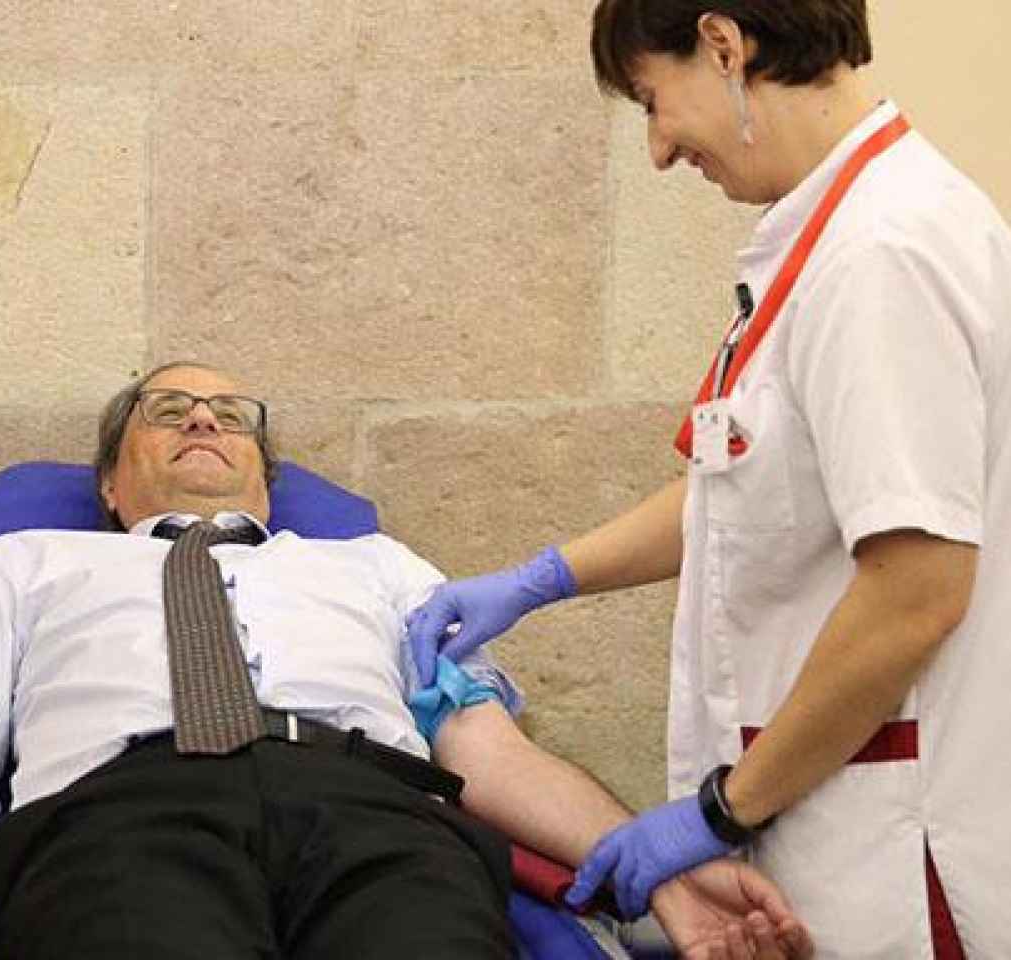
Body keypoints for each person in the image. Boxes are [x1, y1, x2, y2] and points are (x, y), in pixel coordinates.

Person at [0, 361, 812, 960]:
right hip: (120, 821)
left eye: (231, 415)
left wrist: (655, 871)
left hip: (378, 821)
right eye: (167, 408)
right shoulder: (30, 562)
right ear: (106, 480)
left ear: (266, 474)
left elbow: (488, 752)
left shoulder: (375, 567)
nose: (206, 422)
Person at [405, 2, 1010, 956]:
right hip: (827, 816)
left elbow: (917, 590)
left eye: (653, 101)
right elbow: (746, 492)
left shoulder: (881, 256)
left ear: (725, 47)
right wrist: (543, 577)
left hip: (895, 845)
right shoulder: (834, 240)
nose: (656, 149)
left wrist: (721, 812)